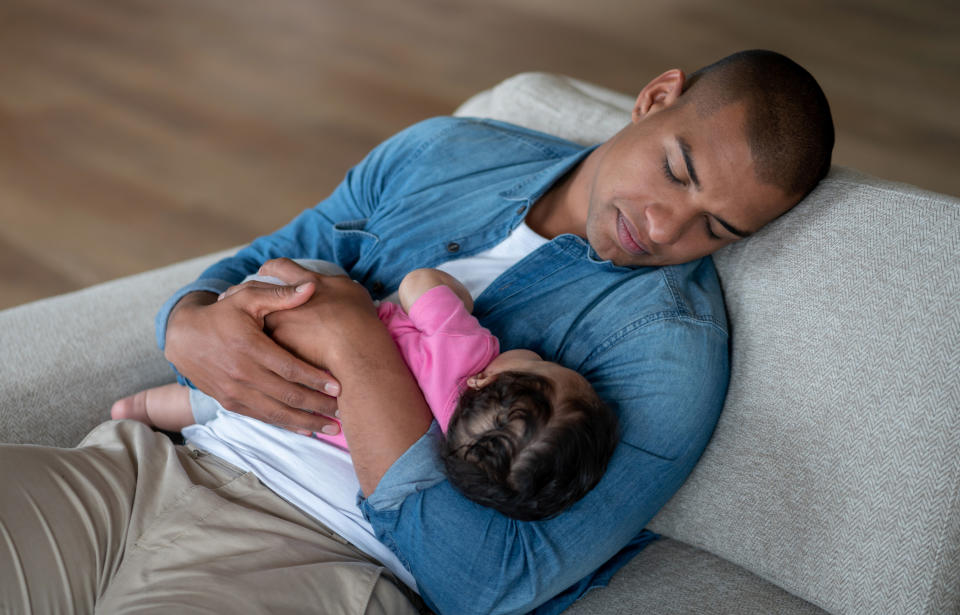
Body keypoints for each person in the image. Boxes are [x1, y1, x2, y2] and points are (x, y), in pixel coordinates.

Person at [0, 49, 834, 614]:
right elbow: (256, 262)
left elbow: (490, 584)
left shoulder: (668, 354)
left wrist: (360, 347)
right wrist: (185, 322)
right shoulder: (444, 152)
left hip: (317, 556)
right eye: (676, 170)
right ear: (655, 99)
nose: (661, 225)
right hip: (146, 466)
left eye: (715, 228)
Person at [113, 262, 620, 521]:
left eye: (541, 364)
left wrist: (455, 296)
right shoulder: (438, 448)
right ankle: (142, 409)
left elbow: (420, 282)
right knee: (211, 405)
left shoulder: (467, 351)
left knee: (321, 275)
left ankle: (138, 404)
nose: (535, 352)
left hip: (290, 332)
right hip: (286, 406)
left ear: (486, 379)